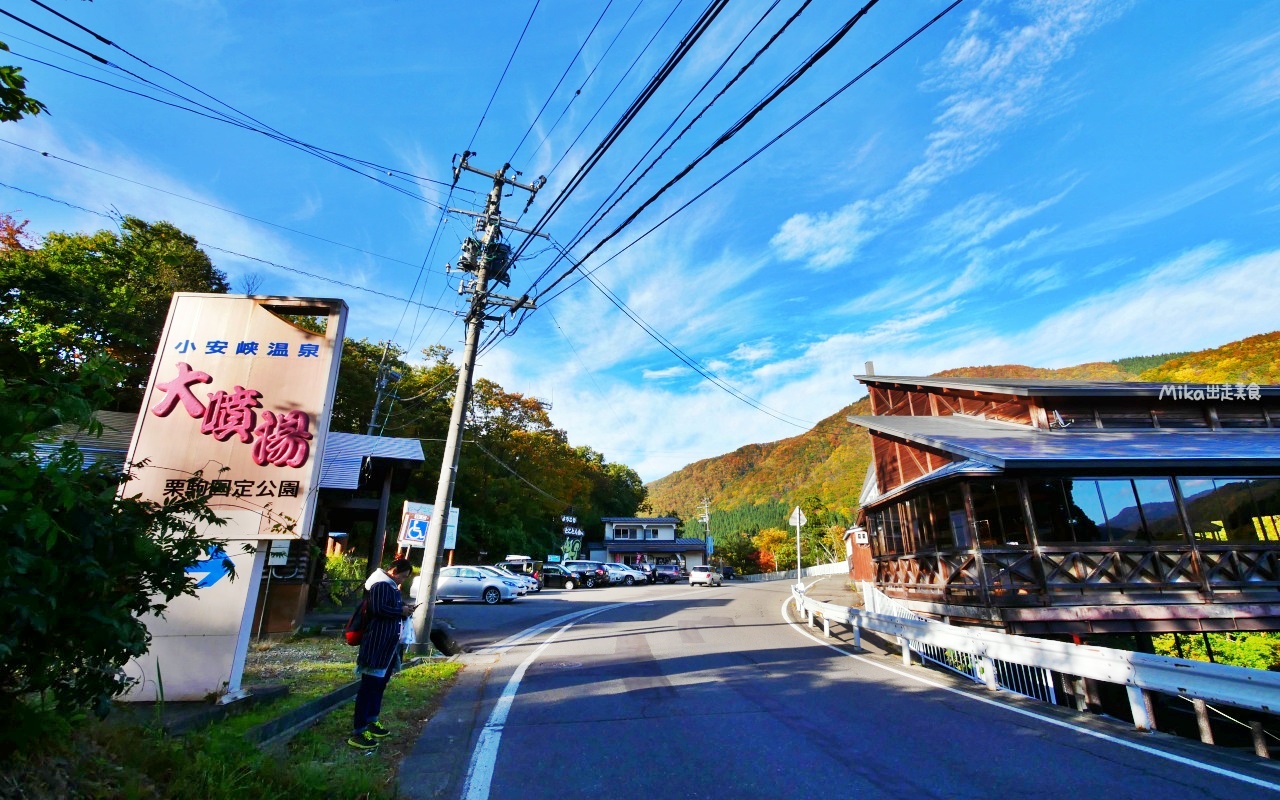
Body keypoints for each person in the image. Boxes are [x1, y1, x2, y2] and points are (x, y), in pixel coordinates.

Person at [348, 558, 415, 750]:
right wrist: (401, 610)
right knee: (369, 687)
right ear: (393, 571)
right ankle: (359, 730)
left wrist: (404, 610)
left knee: (379, 684)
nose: (402, 580)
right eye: (402, 576)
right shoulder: (381, 584)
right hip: (377, 644)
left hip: (388, 645)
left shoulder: (390, 586)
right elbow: (378, 609)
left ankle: (372, 720)